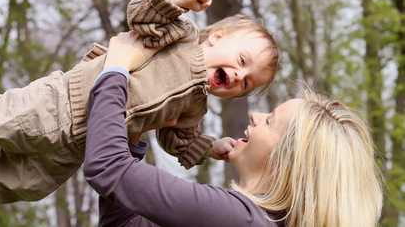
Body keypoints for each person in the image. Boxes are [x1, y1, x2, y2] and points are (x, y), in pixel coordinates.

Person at [0, 0, 281, 203]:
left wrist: (209, 148)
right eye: (242, 61)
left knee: (23, 183)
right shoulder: (183, 35)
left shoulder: (195, 107)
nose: (240, 76)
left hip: (76, 150)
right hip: (61, 103)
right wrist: (180, 0)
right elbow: (140, 15)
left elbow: (176, 140)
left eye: (246, 84)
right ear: (217, 37)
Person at [83, 32, 383, 227]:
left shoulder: (238, 218)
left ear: (285, 159)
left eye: (270, 121)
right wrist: (134, 130)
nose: (255, 115)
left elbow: (107, 169)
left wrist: (117, 68)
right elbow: (122, 225)